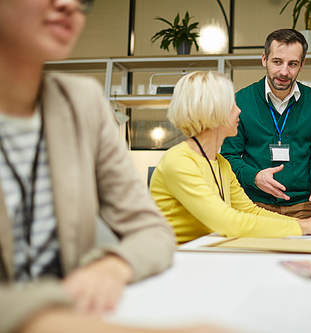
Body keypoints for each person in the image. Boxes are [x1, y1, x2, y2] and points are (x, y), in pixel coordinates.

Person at [0, 1, 234, 333]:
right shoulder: (180, 159)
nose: (69, 4)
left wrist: (116, 264)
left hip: (84, 312)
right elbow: (225, 219)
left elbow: (152, 230)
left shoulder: (82, 101)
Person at [149, 71, 311, 245]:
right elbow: (228, 222)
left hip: (205, 255)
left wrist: (308, 223)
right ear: (212, 112)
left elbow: (251, 212)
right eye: (231, 105)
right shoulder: (179, 161)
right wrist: (306, 226)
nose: (239, 109)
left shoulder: (220, 164)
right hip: (175, 262)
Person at [221, 28, 311, 219]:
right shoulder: (240, 101)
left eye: (293, 64)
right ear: (264, 59)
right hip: (253, 205)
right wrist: (255, 178)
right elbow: (228, 156)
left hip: (302, 206)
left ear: (302, 64)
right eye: (277, 62)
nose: (284, 71)